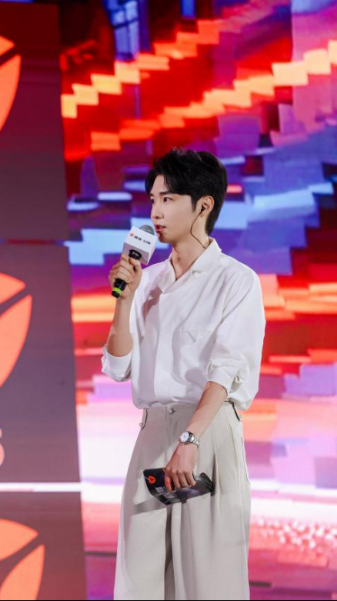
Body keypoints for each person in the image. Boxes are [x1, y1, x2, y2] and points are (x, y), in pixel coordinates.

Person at [103, 148, 265, 600]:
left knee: (209, 579)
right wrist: (124, 301)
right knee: (140, 581)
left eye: (169, 199)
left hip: (206, 433)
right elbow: (118, 366)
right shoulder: (148, 282)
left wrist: (191, 441)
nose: (156, 211)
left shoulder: (236, 280)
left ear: (203, 206)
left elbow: (226, 371)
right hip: (154, 433)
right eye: (153, 199)